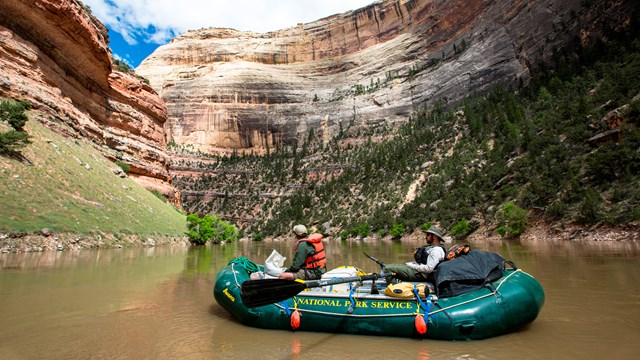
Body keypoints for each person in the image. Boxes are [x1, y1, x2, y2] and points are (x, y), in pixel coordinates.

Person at [383, 225, 448, 283]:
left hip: (420, 274)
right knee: (389, 265)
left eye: (428, 235)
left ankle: (394, 289)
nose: (426, 237)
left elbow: (428, 269)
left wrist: (412, 266)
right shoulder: (432, 248)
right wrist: (412, 264)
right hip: (418, 271)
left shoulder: (436, 251)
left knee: (387, 268)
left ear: (434, 237)